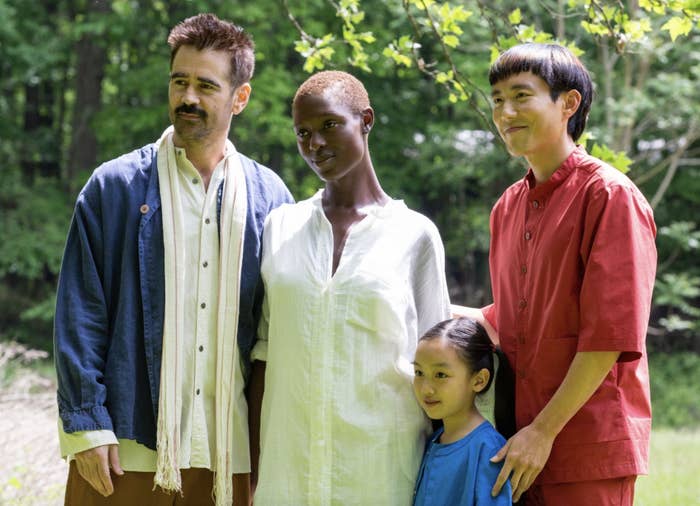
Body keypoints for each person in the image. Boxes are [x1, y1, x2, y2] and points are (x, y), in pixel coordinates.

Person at [53, 13, 293, 506]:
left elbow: (279, 330)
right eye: (179, 82)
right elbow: (80, 313)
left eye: (206, 85)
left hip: (228, 456)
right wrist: (87, 426)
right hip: (124, 449)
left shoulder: (271, 198)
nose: (188, 98)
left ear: (239, 98)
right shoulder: (114, 187)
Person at [247, 70, 451, 504]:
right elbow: (264, 355)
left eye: (329, 125)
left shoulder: (415, 236)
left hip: (381, 474)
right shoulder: (279, 228)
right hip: (289, 476)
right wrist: (253, 470)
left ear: (366, 121)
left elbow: (441, 366)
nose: (315, 143)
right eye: (303, 133)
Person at [474, 43, 657, 505]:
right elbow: (511, 320)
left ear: (569, 103)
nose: (505, 111)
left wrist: (543, 431)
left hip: (582, 447)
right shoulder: (506, 208)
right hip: (514, 446)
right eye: (496, 99)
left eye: (521, 95)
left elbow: (609, 336)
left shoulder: (610, 196)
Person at [412, 317, 512, 506]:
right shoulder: (434, 438)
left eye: (440, 375)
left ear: (479, 380)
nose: (426, 388)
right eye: (419, 373)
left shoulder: (489, 450)